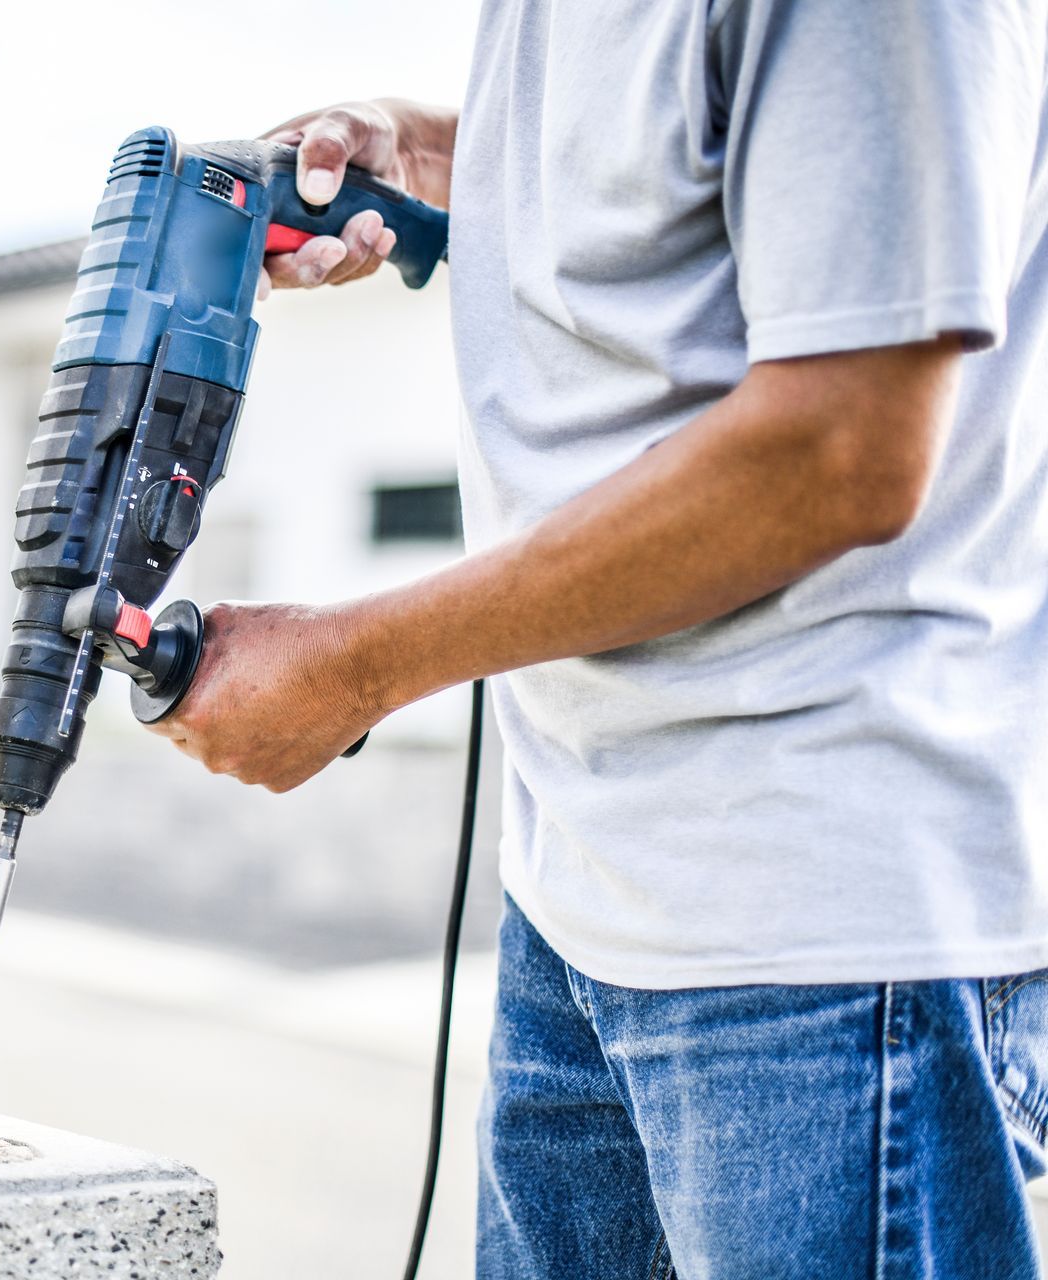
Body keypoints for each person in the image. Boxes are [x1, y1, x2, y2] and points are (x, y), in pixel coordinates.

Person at [149, 3, 1048, 1276]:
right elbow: (683, 150)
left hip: (820, 932)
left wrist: (358, 666)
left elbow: (842, 447)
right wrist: (453, 155)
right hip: (576, 898)